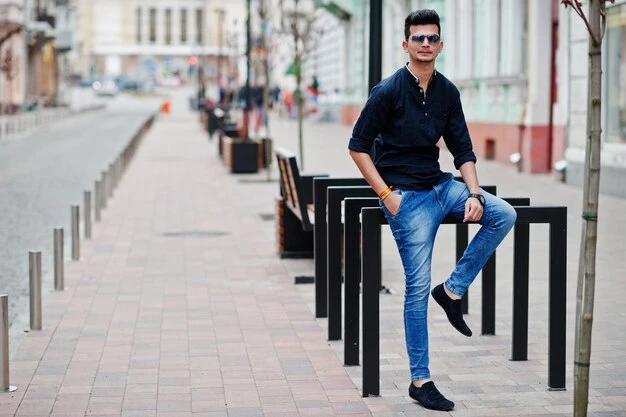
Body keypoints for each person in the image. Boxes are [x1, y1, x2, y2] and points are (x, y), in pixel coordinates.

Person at [348, 9, 517, 412]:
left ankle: (453, 290)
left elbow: (463, 150)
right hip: (406, 196)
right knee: (417, 285)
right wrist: (387, 194)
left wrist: (474, 194)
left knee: (503, 214)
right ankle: (420, 380)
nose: (425, 43)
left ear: (440, 45)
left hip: (442, 187)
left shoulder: (448, 92)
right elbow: (357, 146)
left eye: (432, 38)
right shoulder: (388, 91)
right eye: (418, 38)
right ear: (405, 44)